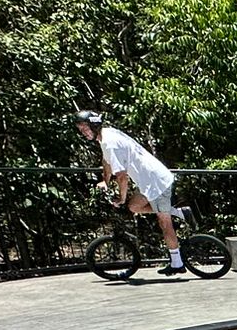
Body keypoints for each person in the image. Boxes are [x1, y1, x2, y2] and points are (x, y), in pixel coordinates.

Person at [76, 112, 185, 275]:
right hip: (147, 181)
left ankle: (177, 263)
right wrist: (105, 181)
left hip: (156, 182)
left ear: (93, 125)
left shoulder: (110, 142)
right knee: (134, 206)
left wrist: (122, 197)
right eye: (80, 129)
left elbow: (122, 176)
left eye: (84, 128)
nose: (83, 132)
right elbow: (106, 161)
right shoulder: (106, 136)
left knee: (164, 223)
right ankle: (176, 212)